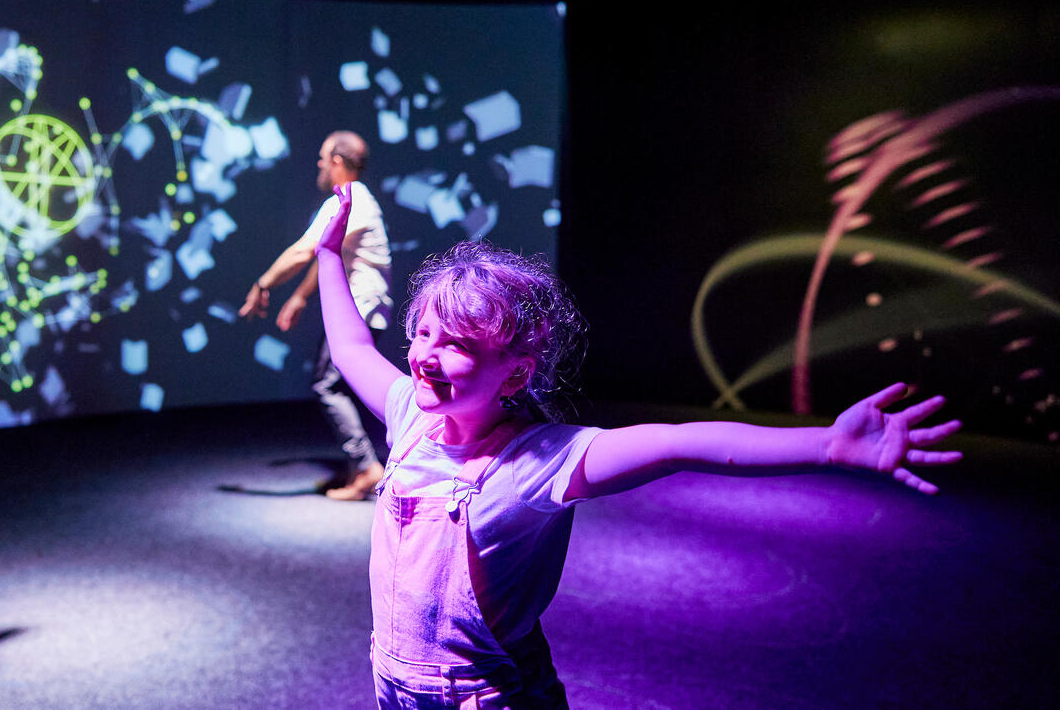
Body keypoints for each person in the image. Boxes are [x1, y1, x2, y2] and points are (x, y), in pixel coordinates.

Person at [313, 183, 964, 708]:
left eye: (457, 344)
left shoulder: (539, 461)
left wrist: (825, 443)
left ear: (514, 374)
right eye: (424, 333)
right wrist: (327, 256)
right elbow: (350, 347)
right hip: (392, 682)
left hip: (485, 696)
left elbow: (681, 444)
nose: (426, 355)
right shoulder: (409, 416)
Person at [240, 131, 393, 500]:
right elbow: (329, 254)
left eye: (324, 157)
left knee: (327, 385)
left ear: (337, 161)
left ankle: (367, 467)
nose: (320, 164)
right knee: (336, 385)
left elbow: (303, 251)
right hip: (363, 309)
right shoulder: (354, 199)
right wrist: (298, 297)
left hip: (360, 310)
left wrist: (263, 284)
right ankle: (360, 467)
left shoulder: (348, 199)